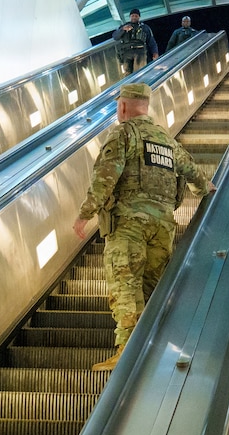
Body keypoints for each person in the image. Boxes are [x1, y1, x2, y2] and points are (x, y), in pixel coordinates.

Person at [72, 82, 212, 371]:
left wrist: (86, 213)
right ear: (146, 106)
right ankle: (153, 352)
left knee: (126, 285)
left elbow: (106, 176)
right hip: (163, 228)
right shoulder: (166, 140)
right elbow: (193, 172)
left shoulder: (123, 133)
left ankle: (127, 352)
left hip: (128, 226)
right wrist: (205, 188)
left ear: (122, 106)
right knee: (152, 289)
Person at [112, 8, 158, 73]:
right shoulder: (124, 26)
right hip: (126, 52)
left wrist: (155, 52)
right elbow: (115, 37)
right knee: (127, 73)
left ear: (139, 17)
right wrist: (123, 29)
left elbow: (151, 41)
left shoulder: (144, 27)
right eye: (132, 16)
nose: (134, 17)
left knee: (139, 72)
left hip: (140, 51)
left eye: (136, 16)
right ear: (130, 17)